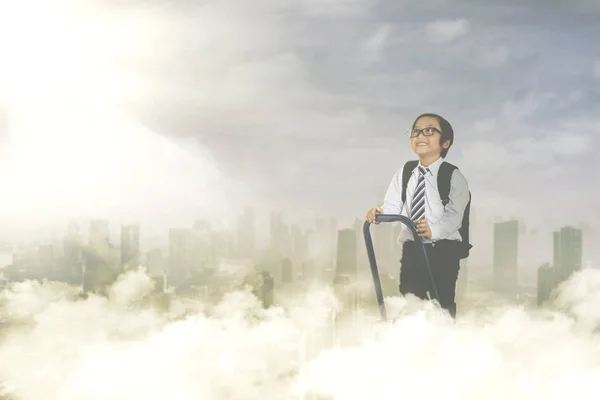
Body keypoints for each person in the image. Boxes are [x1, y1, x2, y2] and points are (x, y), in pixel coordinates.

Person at [365, 113, 470, 319]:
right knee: (411, 298)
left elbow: (455, 216)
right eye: (415, 131)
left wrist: (433, 230)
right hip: (413, 248)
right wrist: (380, 214)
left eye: (429, 131)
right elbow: (393, 205)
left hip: (443, 250)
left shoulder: (453, 176)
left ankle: (444, 339)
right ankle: (413, 339)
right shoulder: (405, 172)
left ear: (445, 142)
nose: (420, 135)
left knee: (441, 302)